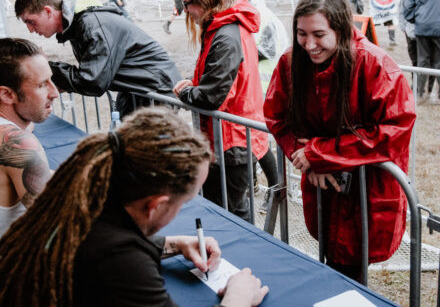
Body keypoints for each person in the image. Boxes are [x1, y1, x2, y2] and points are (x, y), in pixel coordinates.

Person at [0, 107, 269, 306]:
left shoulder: (81, 200)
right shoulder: (120, 260)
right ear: (156, 205)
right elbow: (112, 247)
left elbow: (106, 232)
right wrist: (238, 298)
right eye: (184, 201)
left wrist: (174, 244)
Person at [264, 0, 416, 281]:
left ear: (341, 28)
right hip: (323, 190)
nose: (309, 45)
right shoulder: (290, 62)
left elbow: (395, 129)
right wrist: (303, 155)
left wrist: (321, 155)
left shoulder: (375, 65)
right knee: (331, 258)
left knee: (352, 267)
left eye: (319, 35)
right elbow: (276, 115)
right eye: (301, 34)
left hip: (366, 190)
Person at [173, 0, 268, 222]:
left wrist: (187, 92)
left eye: (187, 3)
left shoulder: (225, 34)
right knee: (235, 211)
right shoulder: (222, 27)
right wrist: (194, 83)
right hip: (231, 139)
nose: (185, 10)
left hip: (232, 142)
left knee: (224, 216)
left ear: (204, 0)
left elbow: (211, 96)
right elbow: (217, 80)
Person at [15, 0, 181, 117]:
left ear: (47, 11)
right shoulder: (77, 25)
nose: (30, 29)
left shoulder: (91, 24)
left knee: (149, 153)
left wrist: (46, 68)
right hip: (136, 90)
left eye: (31, 21)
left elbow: (92, 81)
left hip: (156, 90)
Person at [225, 0, 289, 212]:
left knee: (258, 141)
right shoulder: (235, 13)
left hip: (260, 88)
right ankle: (256, 188)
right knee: (252, 141)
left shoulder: (260, 14)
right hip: (247, 89)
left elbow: (269, 49)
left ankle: (276, 188)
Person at [0, 38, 57, 237]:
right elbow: (57, 228)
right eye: (42, 85)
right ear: (7, 94)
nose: (55, 92)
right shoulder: (18, 143)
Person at [403, 0, 440, 102]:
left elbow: (407, 9)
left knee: (422, 60)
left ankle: (419, 93)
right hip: (438, 27)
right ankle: (437, 95)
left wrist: (417, 20)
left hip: (422, 27)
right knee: (438, 61)